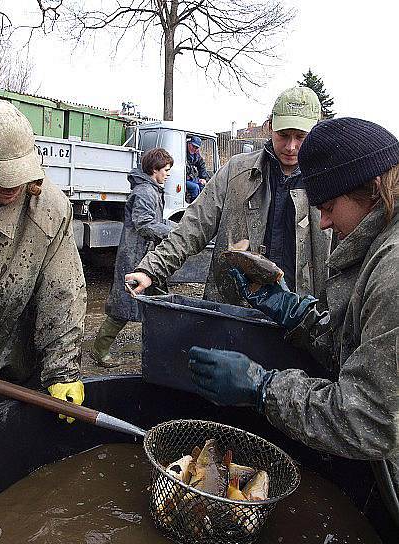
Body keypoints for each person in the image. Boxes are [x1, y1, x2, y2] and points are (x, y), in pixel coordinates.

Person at [188, 117, 399, 497]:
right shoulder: (381, 242)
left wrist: (263, 387)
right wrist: (291, 310)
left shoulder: (393, 272)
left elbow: (369, 418)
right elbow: (357, 349)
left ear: (372, 188)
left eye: (330, 205)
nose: (324, 222)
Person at [0, 98, 87, 433]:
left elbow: (62, 291)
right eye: (1, 174)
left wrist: (63, 370)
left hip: (6, 369)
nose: (14, 186)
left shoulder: (48, 210)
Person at [126, 87, 331, 301]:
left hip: (303, 316)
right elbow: (192, 227)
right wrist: (150, 270)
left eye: (300, 137)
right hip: (237, 310)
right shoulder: (236, 172)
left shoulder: (329, 181)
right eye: (283, 135)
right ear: (270, 127)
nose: (291, 146)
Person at [91, 148, 175, 367]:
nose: (167, 174)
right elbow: (144, 224)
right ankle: (100, 351)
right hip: (136, 257)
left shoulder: (150, 189)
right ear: (154, 169)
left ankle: (162, 346)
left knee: (160, 302)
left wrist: (174, 227)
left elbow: (153, 220)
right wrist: (173, 232)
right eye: (165, 170)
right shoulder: (146, 192)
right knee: (124, 307)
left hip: (146, 255)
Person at [186, 136, 209, 201]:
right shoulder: (183, 152)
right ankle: (194, 207)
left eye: (197, 147)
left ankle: (202, 204)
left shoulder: (196, 154)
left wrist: (203, 178)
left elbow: (201, 165)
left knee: (202, 185)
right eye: (193, 146)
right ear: (189, 144)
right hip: (183, 179)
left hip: (191, 178)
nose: (195, 149)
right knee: (195, 188)